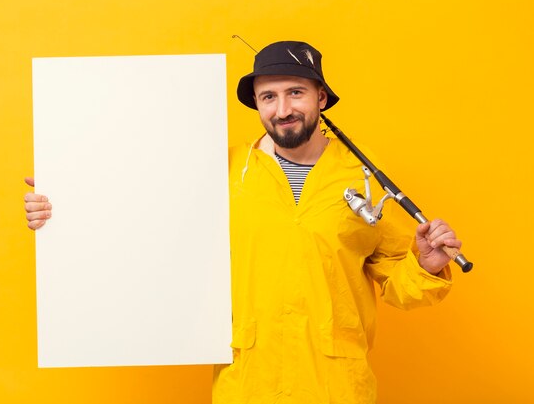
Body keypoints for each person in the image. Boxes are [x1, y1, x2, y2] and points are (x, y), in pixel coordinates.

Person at [24, 41, 461, 404]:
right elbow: (142, 216)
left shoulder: (363, 177)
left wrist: (424, 263)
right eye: (268, 97)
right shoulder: (226, 170)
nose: (282, 108)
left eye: (295, 93)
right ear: (258, 105)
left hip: (336, 386)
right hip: (248, 382)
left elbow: (401, 286)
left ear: (321, 98)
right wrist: (66, 202)